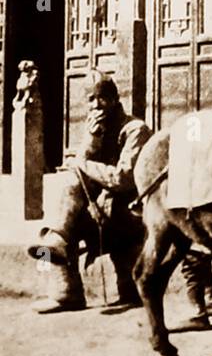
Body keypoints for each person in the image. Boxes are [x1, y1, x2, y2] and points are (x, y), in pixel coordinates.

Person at [27, 72, 151, 313]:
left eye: (102, 98)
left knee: (74, 177)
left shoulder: (136, 129)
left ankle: (57, 237)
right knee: (60, 229)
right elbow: (84, 175)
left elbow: (123, 179)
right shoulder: (95, 128)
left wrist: (83, 163)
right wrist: (92, 141)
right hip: (101, 213)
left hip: (131, 215)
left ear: (115, 98)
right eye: (91, 99)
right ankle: (66, 292)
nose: (96, 105)